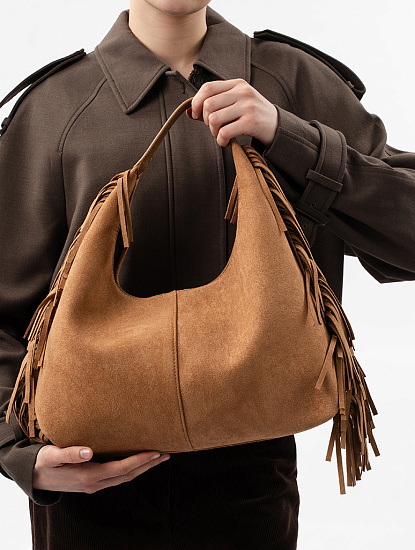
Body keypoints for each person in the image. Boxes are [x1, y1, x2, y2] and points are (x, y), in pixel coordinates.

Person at [1, 1, 414, 548]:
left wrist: (289, 137)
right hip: (86, 484)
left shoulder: (293, 82)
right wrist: (18, 452)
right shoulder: (54, 107)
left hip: (252, 479)